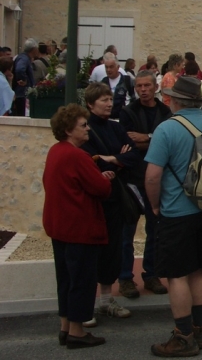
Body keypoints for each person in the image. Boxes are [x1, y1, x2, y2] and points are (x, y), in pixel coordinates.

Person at [145, 76, 202, 356]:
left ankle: (183, 336)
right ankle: (201, 329)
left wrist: (155, 206)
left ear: (176, 100)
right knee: (198, 270)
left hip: (178, 211)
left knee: (176, 275)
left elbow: (153, 177)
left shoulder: (167, 129)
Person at [43, 104, 113, 350]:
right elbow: (101, 189)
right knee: (82, 280)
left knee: (65, 279)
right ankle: (77, 332)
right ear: (69, 129)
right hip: (80, 228)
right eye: (83, 125)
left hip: (60, 227)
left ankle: (65, 326)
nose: (88, 129)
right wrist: (103, 178)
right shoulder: (77, 156)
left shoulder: (56, 151)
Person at [81, 83, 142, 326]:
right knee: (88, 253)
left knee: (112, 249)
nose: (109, 103)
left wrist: (112, 159)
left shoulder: (117, 128)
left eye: (109, 99)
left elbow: (134, 155)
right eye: (103, 100)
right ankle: (85, 304)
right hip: (93, 201)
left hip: (116, 199)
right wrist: (118, 160)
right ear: (90, 104)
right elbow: (90, 162)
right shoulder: (85, 129)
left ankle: (106, 301)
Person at [117, 70, 172, 299]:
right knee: (126, 234)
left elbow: (166, 142)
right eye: (139, 86)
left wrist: (147, 138)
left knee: (156, 231)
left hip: (156, 180)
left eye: (147, 86)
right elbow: (128, 142)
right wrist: (152, 140)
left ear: (154, 87)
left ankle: (151, 274)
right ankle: (125, 278)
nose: (143, 90)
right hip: (132, 179)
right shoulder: (128, 112)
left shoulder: (164, 111)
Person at [100, 53, 136, 119]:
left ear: (118, 67)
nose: (108, 70)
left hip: (123, 119)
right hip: (107, 119)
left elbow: (133, 99)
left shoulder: (127, 81)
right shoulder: (103, 82)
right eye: (106, 67)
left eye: (111, 67)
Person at [12, 38, 39, 116]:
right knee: (22, 117)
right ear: (33, 49)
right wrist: (24, 79)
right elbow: (19, 69)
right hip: (22, 94)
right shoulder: (24, 58)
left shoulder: (25, 58)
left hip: (22, 94)